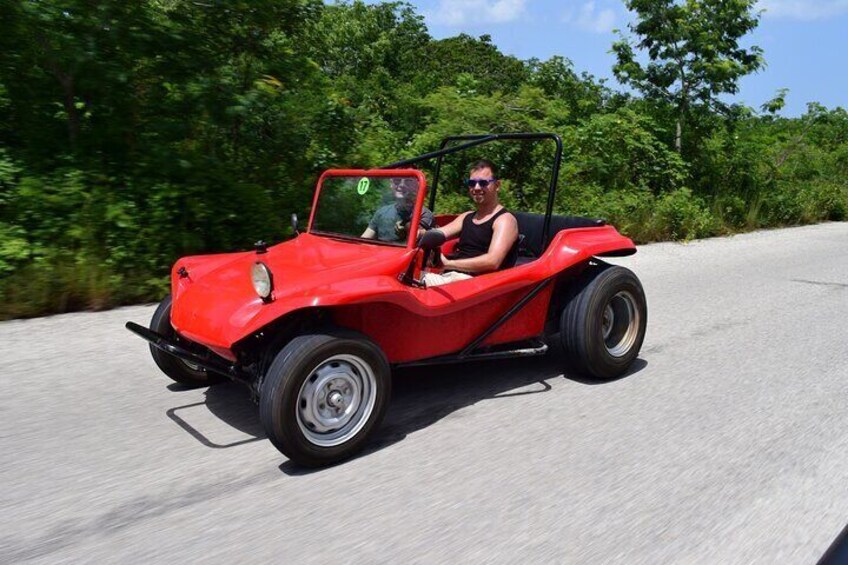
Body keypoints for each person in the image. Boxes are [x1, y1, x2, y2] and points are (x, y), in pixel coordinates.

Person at [423, 159, 519, 287]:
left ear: (497, 185)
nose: (477, 187)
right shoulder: (466, 217)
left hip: (478, 284)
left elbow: (493, 261)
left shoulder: (505, 220)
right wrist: (415, 232)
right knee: (403, 276)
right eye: (472, 183)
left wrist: (447, 264)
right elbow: (436, 234)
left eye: (483, 183)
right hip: (453, 278)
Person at [361, 177, 434, 242]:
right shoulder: (382, 212)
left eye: (408, 181)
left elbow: (418, 235)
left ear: (414, 187)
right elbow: (364, 239)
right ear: (391, 185)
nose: (401, 185)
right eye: (397, 180)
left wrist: (408, 229)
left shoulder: (423, 213)